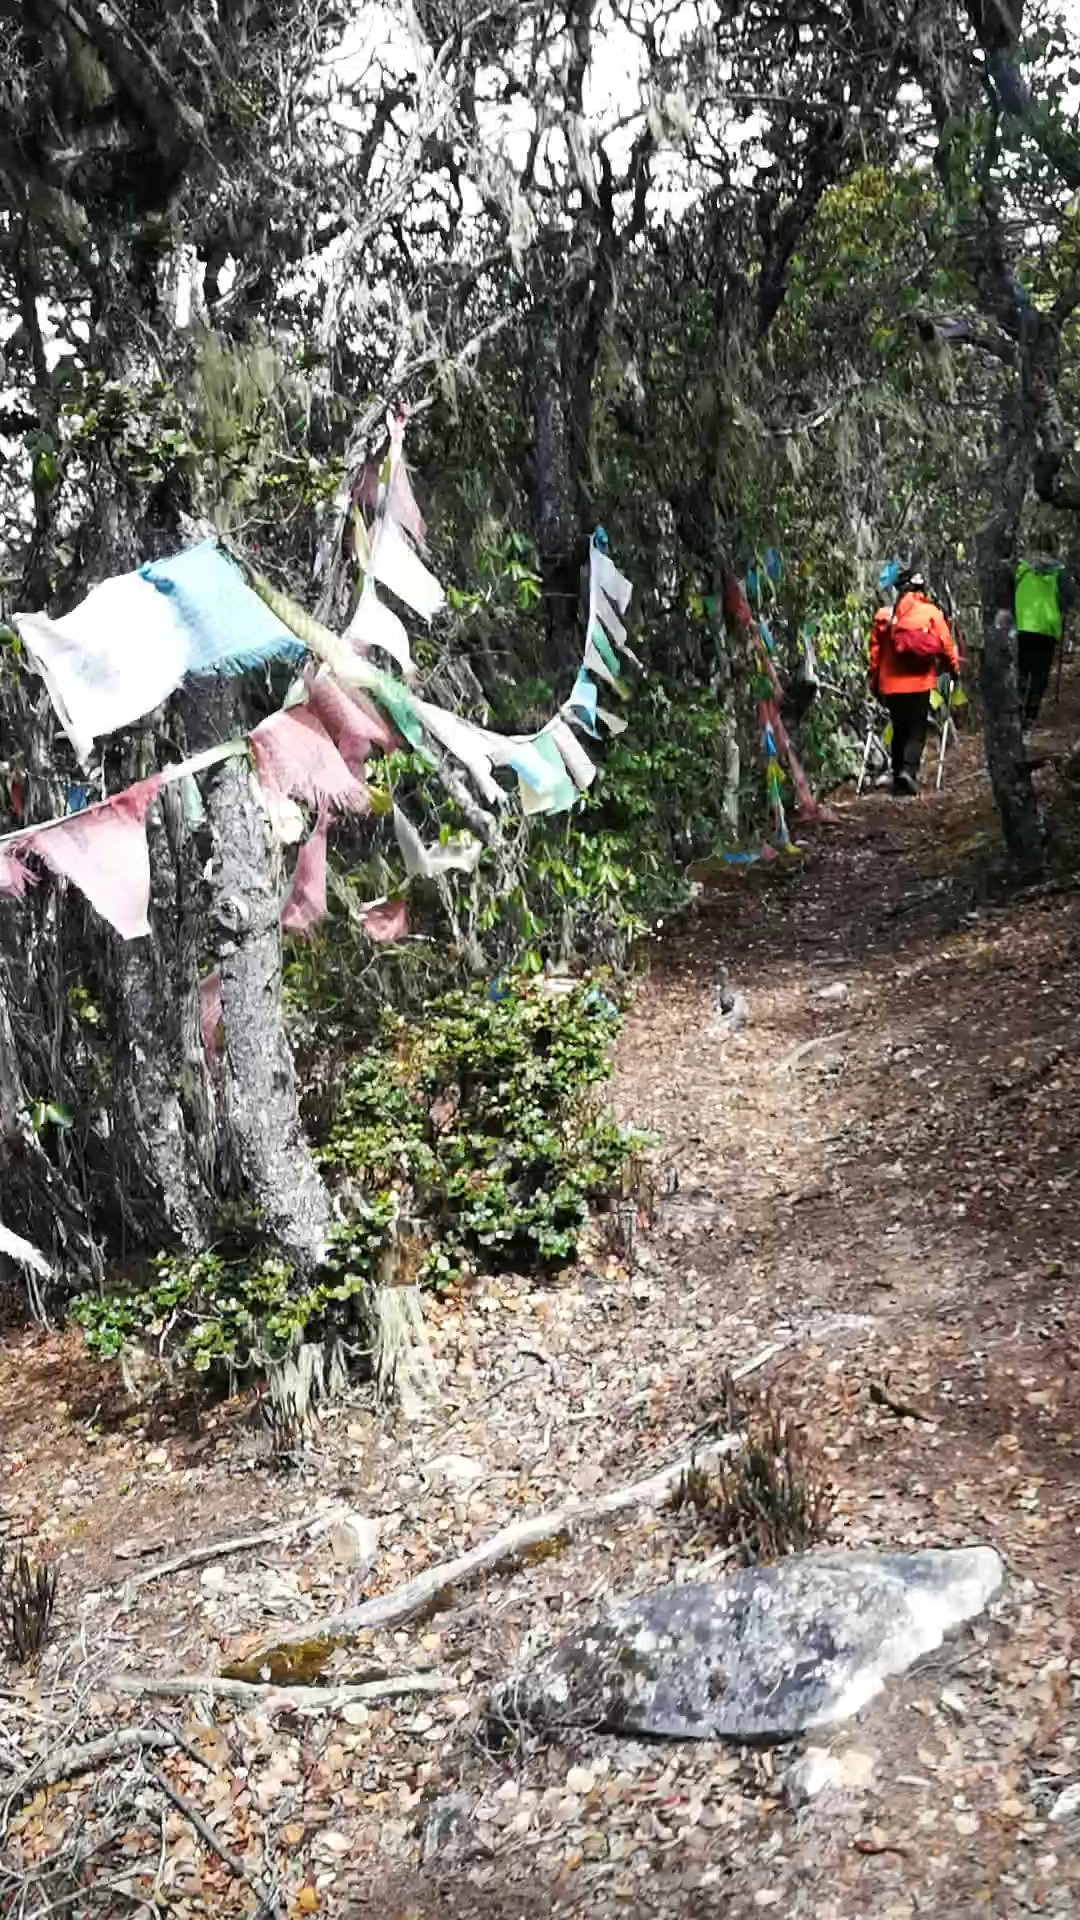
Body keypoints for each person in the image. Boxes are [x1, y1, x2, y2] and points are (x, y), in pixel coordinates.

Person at [868, 569, 959, 795]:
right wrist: (953, 669)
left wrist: (874, 680)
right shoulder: (931, 612)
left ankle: (898, 770)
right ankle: (908, 770)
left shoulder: (884, 616)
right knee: (916, 727)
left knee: (899, 726)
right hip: (920, 683)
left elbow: (875, 654)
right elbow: (946, 645)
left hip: (891, 685)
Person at [1014, 555, 1072, 730]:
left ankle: (1017, 711)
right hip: (1046, 630)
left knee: (1022, 671)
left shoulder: (1022, 570)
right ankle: (1030, 716)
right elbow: (1068, 601)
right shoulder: (1059, 574)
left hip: (1023, 626)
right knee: (1040, 675)